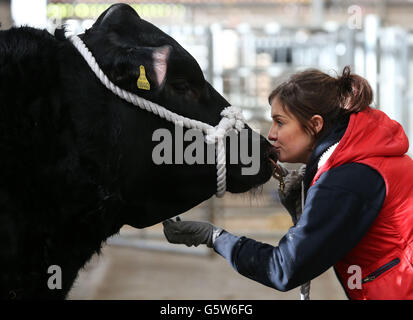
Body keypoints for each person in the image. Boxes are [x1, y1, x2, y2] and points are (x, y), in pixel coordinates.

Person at [162, 66, 413, 300]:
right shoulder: (363, 153)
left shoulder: (346, 179)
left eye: (280, 122)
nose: (271, 134)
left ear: (315, 125)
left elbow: (282, 268)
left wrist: (215, 237)